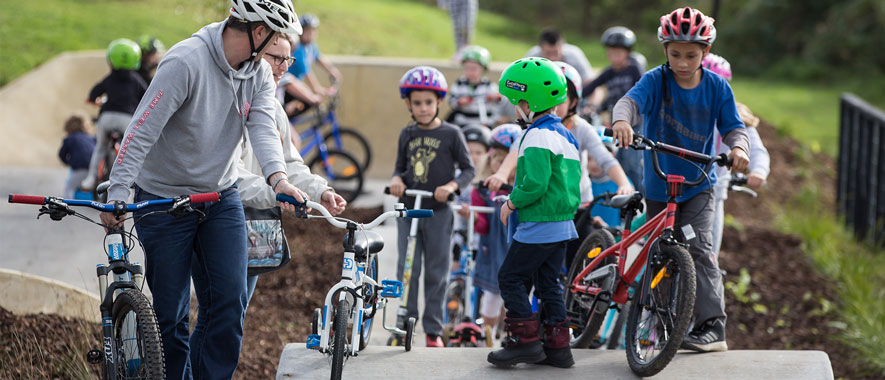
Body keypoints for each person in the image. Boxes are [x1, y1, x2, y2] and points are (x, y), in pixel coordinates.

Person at [99, 1, 304, 378]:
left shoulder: (257, 72)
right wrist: (119, 191)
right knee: (170, 316)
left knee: (229, 302)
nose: (279, 50)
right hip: (163, 199)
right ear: (259, 33)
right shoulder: (186, 62)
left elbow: (262, 127)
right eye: (276, 37)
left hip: (219, 196)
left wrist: (279, 179)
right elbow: (140, 130)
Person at [610, 7, 750, 353]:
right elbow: (629, 103)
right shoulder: (656, 80)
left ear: (705, 52)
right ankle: (656, 324)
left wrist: (739, 148)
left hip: (699, 186)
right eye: (676, 54)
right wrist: (622, 122)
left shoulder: (717, 87)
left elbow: (734, 127)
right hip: (659, 185)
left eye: (691, 55)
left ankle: (712, 327)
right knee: (660, 255)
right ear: (665, 51)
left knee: (699, 248)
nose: (683, 62)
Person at [237, 33, 348, 305]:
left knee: (235, 314)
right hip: (223, 218)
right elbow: (229, 176)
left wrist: (320, 191)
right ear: (254, 55)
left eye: (288, 58)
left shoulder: (274, 107)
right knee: (220, 313)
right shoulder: (231, 101)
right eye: (276, 58)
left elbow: (289, 164)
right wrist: (278, 192)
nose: (284, 66)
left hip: (258, 223)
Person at [487, 57, 580, 368]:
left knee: (510, 277)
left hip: (539, 224)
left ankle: (523, 342)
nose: (515, 109)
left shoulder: (535, 136)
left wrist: (510, 202)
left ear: (529, 103)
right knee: (548, 283)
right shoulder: (564, 135)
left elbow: (535, 184)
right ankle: (557, 348)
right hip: (562, 225)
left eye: (517, 102)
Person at [389, 66, 475, 347]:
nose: (423, 108)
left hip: (438, 213)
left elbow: (467, 170)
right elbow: (399, 169)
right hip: (409, 211)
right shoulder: (407, 133)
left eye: (428, 102)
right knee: (407, 267)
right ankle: (405, 322)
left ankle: (433, 330)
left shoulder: (452, 134)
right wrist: (397, 181)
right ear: (408, 104)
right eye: (417, 103)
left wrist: (450, 188)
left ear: (439, 102)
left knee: (437, 271)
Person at [702, 53, 770, 258]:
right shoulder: (685, 110)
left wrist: (758, 171)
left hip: (714, 191)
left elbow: (756, 149)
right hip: (679, 187)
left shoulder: (735, 115)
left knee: (709, 255)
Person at [472, 123, 520, 346]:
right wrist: (472, 217)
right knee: (491, 295)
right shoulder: (482, 190)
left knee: (518, 295)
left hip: (516, 247)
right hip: (493, 249)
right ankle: (486, 335)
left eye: (506, 160)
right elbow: (481, 226)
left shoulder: (523, 191)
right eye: (496, 159)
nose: (500, 165)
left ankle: (514, 333)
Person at [583, 26, 646, 195]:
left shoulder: (634, 69)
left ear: (628, 53)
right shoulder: (609, 72)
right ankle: (622, 196)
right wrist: (581, 100)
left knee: (632, 162)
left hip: (635, 124)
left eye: (618, 53)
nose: (614, 57)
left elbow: (643, 91)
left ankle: (638, 197)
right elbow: (591, 88)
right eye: (610, 53)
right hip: (616, 124)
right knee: (619, 161)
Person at [80, 38, 147, 190]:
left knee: (100, 147)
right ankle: (132, 180)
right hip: (127, 119)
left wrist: (93, 100)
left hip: (107, 118)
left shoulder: (109, 79)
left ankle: (90, 179)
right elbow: (146, 95)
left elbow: (93, 93)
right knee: (129, 150)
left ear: (111, 60)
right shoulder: (137, 80)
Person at [287, 14, 341, 109]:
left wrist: (332, 70)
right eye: (307, 31)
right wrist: (317, 88)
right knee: (310, 101)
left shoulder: (311, 46)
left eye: (313, 30)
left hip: (297, 84)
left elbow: (319, 58)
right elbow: (307, 72)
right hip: (288, 87)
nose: (310, 34)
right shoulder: (298, 49)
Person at [447, 45, 503, 127]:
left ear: (483, 69)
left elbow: (500, 101)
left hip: (484, 124)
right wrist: (459, 102)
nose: (470, 72)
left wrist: (496, 97)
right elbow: (451, 100)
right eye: (467, 69)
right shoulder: (459, 84)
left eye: (473, 69)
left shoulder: (488, 86)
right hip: (462, 124)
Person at [525, 28, 594, 88]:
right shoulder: (532, 57)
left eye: (555, 53)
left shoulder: (574, 54)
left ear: (562, 46)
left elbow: (589, 81)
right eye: (548, 53)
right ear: (540, 48)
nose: (552, 58)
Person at [58, 112, 95, 199]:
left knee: (69, 188)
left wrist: (69, 162)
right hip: (94, 168)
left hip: (80, 168)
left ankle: (66, 206)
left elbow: (61, 154)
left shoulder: (70, 138)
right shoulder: (92, 138)